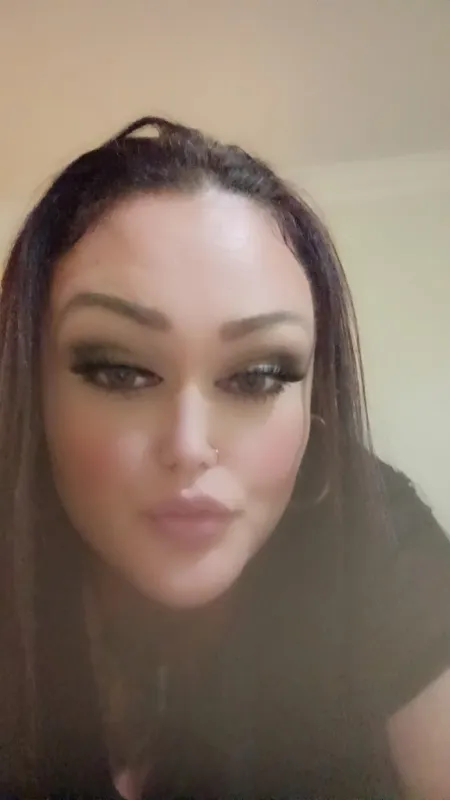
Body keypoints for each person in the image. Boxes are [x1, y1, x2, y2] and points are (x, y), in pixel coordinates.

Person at [1, 116, 450, 800]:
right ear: (33, 392)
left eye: (257, 376)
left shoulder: (373, 529)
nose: (188, 446)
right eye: (119, 370)